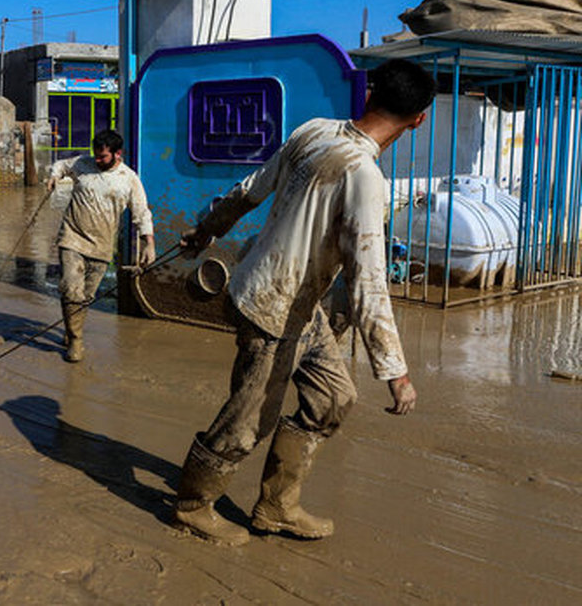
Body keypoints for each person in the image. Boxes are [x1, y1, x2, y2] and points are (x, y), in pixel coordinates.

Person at [171, 58, 435, 546]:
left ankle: (277, 505)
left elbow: (249, 189)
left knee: (333, 396)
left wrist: (207, 228)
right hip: (269, 308)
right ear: (419, 120)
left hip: (297, 305)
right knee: (249, 420)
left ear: (370, 93)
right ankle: (192, 504)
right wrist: (395, 371)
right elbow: (368, 279)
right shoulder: (364, 176)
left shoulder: (316, 130)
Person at [46, 129, 155, 363]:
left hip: (102, 246)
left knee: (86, 296)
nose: (97, 160)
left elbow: (141, 213)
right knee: (70, 288)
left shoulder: (129, 179)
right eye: (95, 155)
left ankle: (71, 329)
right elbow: (61, 165)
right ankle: (76, 341)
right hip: (72, 237)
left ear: (118, 154)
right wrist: (54, 177)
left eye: (102, 157)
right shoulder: (83, 164)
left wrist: (149, 244)